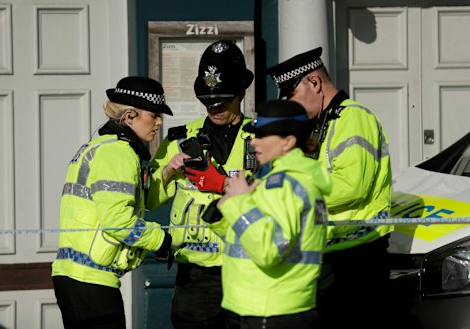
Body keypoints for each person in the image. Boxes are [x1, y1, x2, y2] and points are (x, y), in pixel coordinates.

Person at [266, 47, 393, 329]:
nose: (292, 106)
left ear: (315, 83)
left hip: (357, 258)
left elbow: (353, 187)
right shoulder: (318, 123)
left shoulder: (354, 117)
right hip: (328, 252)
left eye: (293, 96)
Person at [146, 40, 255, 329]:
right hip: (195, 276)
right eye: (208, 102)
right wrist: (168, 171)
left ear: (242, 93)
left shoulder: (260, 138)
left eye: (222, 101)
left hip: (246, 267)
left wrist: (223, 184)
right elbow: (149, 200)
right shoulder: (180, 139)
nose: (215, 108)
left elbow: (275, 196)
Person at [51, 76, 174, 329]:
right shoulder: (117, 152)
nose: (159, 122)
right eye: (154, 115)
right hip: (90, 281)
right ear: (130, 116)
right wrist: (161, 240)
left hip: (76, 276)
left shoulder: (106, 146)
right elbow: (117, 221)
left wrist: (169, 172)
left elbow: (141, 202)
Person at [201, 99, 332, 329]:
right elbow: (246, 236)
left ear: (288, 142)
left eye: (262, 136)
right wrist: (225, 206)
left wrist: (240, 202)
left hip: (271, 312)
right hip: (257, 308)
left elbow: (269, 249)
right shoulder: (273, 179)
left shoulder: (288, 184)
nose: (253, 142)